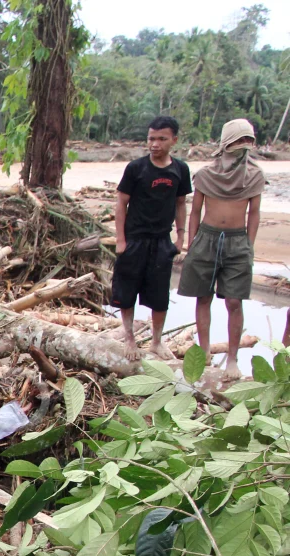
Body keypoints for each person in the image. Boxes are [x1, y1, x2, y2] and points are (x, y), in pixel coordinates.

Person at [177, 118, 266, 380]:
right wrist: (192, 243)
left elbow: (254, 213)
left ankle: (233, 359)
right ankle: (204, 352)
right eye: (240, 139)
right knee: (203, 297)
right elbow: (195, 211)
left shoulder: (254, 175)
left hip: (238, 241)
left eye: (248, 140)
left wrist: (248, 245)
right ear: (227, 142)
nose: (244, 145)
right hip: (206, 238)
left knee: (234, 301)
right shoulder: (206, 175)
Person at [112, 116, 192, 361]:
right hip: (134, 238)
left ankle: (156, 341)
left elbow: (180, 203)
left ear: (174, 140)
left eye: (161, 139)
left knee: (159, 295)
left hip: (161, 240)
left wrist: (180, 236)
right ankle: (129, 337)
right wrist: (121, 240)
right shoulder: (136, 168)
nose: (155, 144)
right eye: (151, 138)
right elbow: (121, 203)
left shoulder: (180, 169)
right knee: (126, 291)